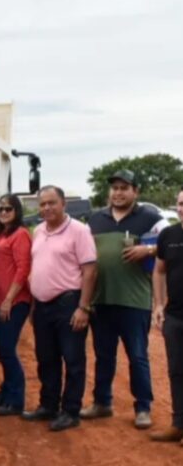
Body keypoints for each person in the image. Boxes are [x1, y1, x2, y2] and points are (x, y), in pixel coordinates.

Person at [83, 170, 168, 429]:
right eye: (115, 188)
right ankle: (102, 403)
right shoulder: (95, 219)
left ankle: (143, 407)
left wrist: (149, 249)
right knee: (103, 355)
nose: (118, 192)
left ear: (136, 192)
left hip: (135, 300)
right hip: (102, 299)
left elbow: (174, 241)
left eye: (124, 188)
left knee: (137, 356)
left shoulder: (152, 218)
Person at [22, 186, 97, 432]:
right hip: (42, 306)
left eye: (51, 203)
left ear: (63, 203)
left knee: (73, 359)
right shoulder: (39, 230)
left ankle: (71, 411)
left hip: (69, 303)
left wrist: (83, 307)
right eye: (42, 204)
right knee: (46, 359)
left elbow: (90, 271)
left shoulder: (79, 231)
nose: (46, 208)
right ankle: (48, 405)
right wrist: (34, 305)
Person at [0, 194, 32, 416]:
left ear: (17, 211)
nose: (3, 212)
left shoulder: (21, 234)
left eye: (8, 209)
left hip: (14, 302)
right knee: (4, 352)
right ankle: (5, 392)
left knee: (6, 349)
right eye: (0, 208)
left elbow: (23, 269)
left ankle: (16, 400)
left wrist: (8, 299)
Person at [150, 187, 183, 443]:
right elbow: (159, 271)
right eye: (180, 204)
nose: (182, 209)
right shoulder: (169, 235)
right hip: (175, 316)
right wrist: (159, 305)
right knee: (176, 371)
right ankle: (178, 423)